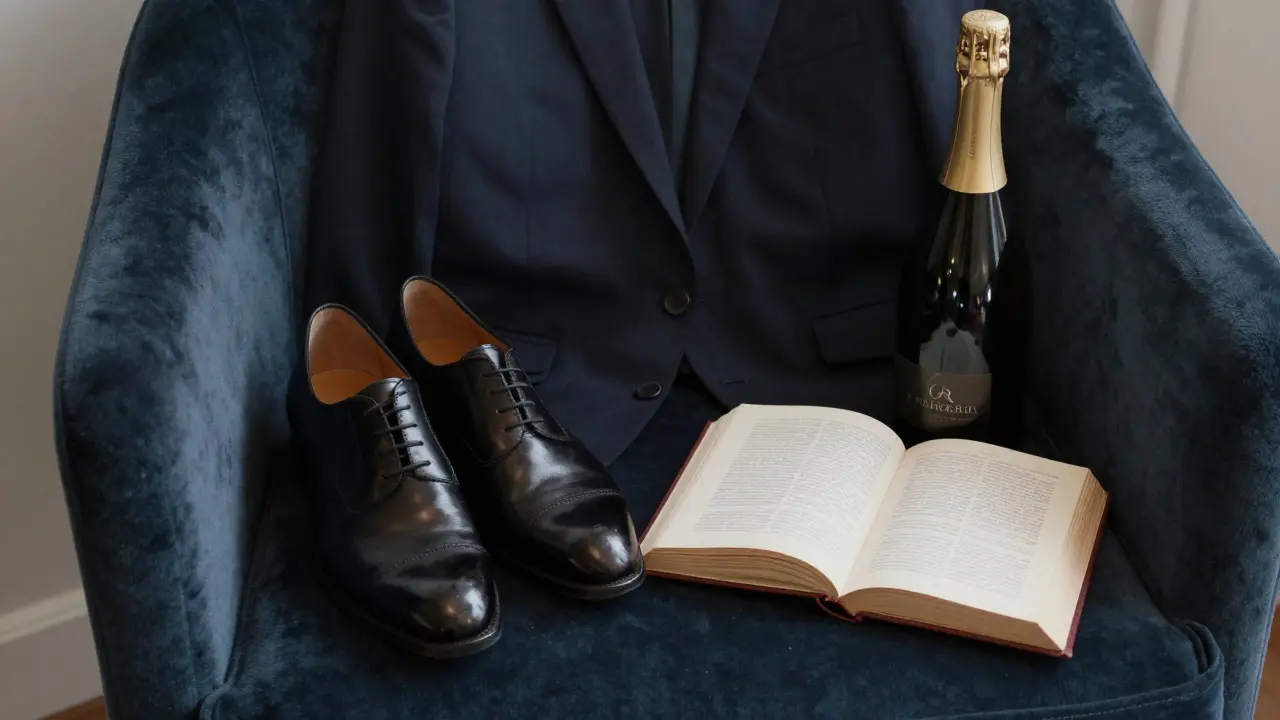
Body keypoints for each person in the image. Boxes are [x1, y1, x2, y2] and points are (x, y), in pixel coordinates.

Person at [297, 0, 978, 653]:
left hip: (812, 352)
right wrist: (362, 372)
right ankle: (374, 400)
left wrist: (961, 320)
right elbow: (383, 124)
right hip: (550, 374)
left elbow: (945, 67)